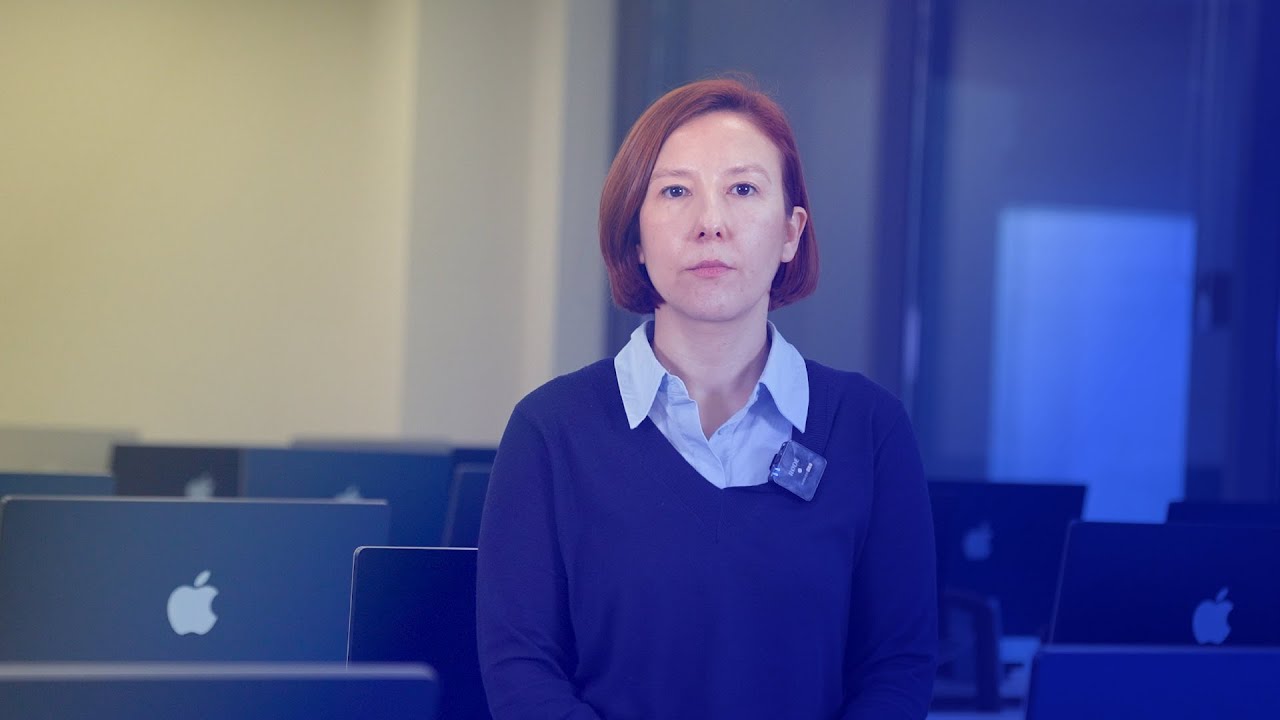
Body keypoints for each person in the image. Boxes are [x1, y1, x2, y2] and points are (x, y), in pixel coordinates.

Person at [477, 76, 936, 720]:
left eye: (743, 190)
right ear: (635, 236)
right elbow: (521, 667)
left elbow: (897, 667)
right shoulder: (551, 430)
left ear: (791, 232)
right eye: (675, 191)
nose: (710, 224)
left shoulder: (869, 428)